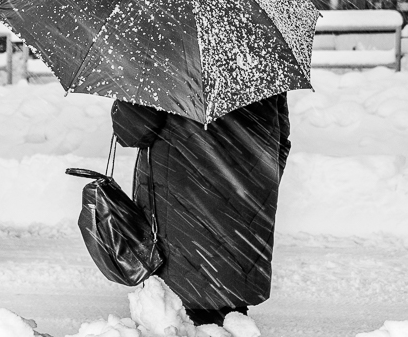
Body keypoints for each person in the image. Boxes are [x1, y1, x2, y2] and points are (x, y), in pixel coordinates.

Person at [111, 92, 292, 327]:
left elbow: (131, 130)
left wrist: (126, 98)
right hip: (242, 205)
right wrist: (254, 182)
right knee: (229, 311)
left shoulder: (168, 71)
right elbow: (281, 141)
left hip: (179, 201)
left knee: (180, 312)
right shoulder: (259, 72)